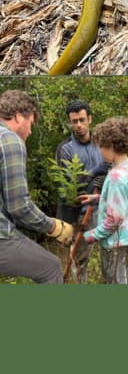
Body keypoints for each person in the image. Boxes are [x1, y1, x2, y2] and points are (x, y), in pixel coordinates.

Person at [56, 100, 128, 283]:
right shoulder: (66, 150)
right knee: (81, 259)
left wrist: (104, 183)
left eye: (82, 120)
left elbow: (116, 180)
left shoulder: (102, 141)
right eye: (74, 121)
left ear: (90, 119)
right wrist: (91, 177)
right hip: (84, 210)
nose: (79, 125)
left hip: (114, 206)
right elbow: (67, 189)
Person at [0, 90, 73, 284]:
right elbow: (19, 207)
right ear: (17, 116)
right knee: (50, 266)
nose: (30, 132)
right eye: (30, 123)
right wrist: (53, 227)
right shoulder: (9, 140)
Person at [81, 118, 128, 284]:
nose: (99, 151)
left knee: (115, 279)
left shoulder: (116, 176)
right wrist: (98, 198)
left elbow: (113, 221)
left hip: (115, 242)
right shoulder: (127, 166)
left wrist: (91, 235)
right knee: (127, 274)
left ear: (112, 145)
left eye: (101, 146)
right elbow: (123, 200)